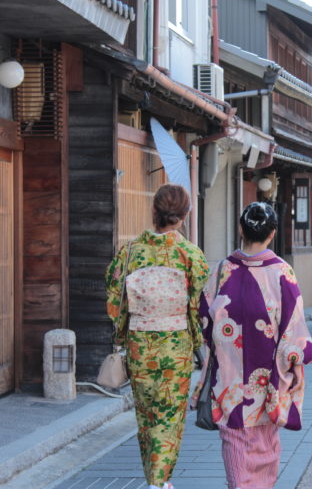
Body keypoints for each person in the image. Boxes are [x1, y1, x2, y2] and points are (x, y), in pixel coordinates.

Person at [193, 202, 312, 489]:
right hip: (268, 381)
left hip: (230, 379)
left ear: (240, 229)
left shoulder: (223, 270)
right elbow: (294, 330)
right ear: (272, 234)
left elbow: (204, 319)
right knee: (266, 444)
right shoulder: (283, 272)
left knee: (235, 443)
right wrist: (296, 360)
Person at [105, 184, 209, 489]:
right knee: (170, 417)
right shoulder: (190, 254)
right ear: (185, 215)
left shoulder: (131, 252)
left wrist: (125, 332)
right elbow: (199, 305)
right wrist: (197, 340)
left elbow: (114, 298)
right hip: (175, 345)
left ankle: (156, 480)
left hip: (140, 343)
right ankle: (159, 482)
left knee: (147, 416)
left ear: (155, 211)